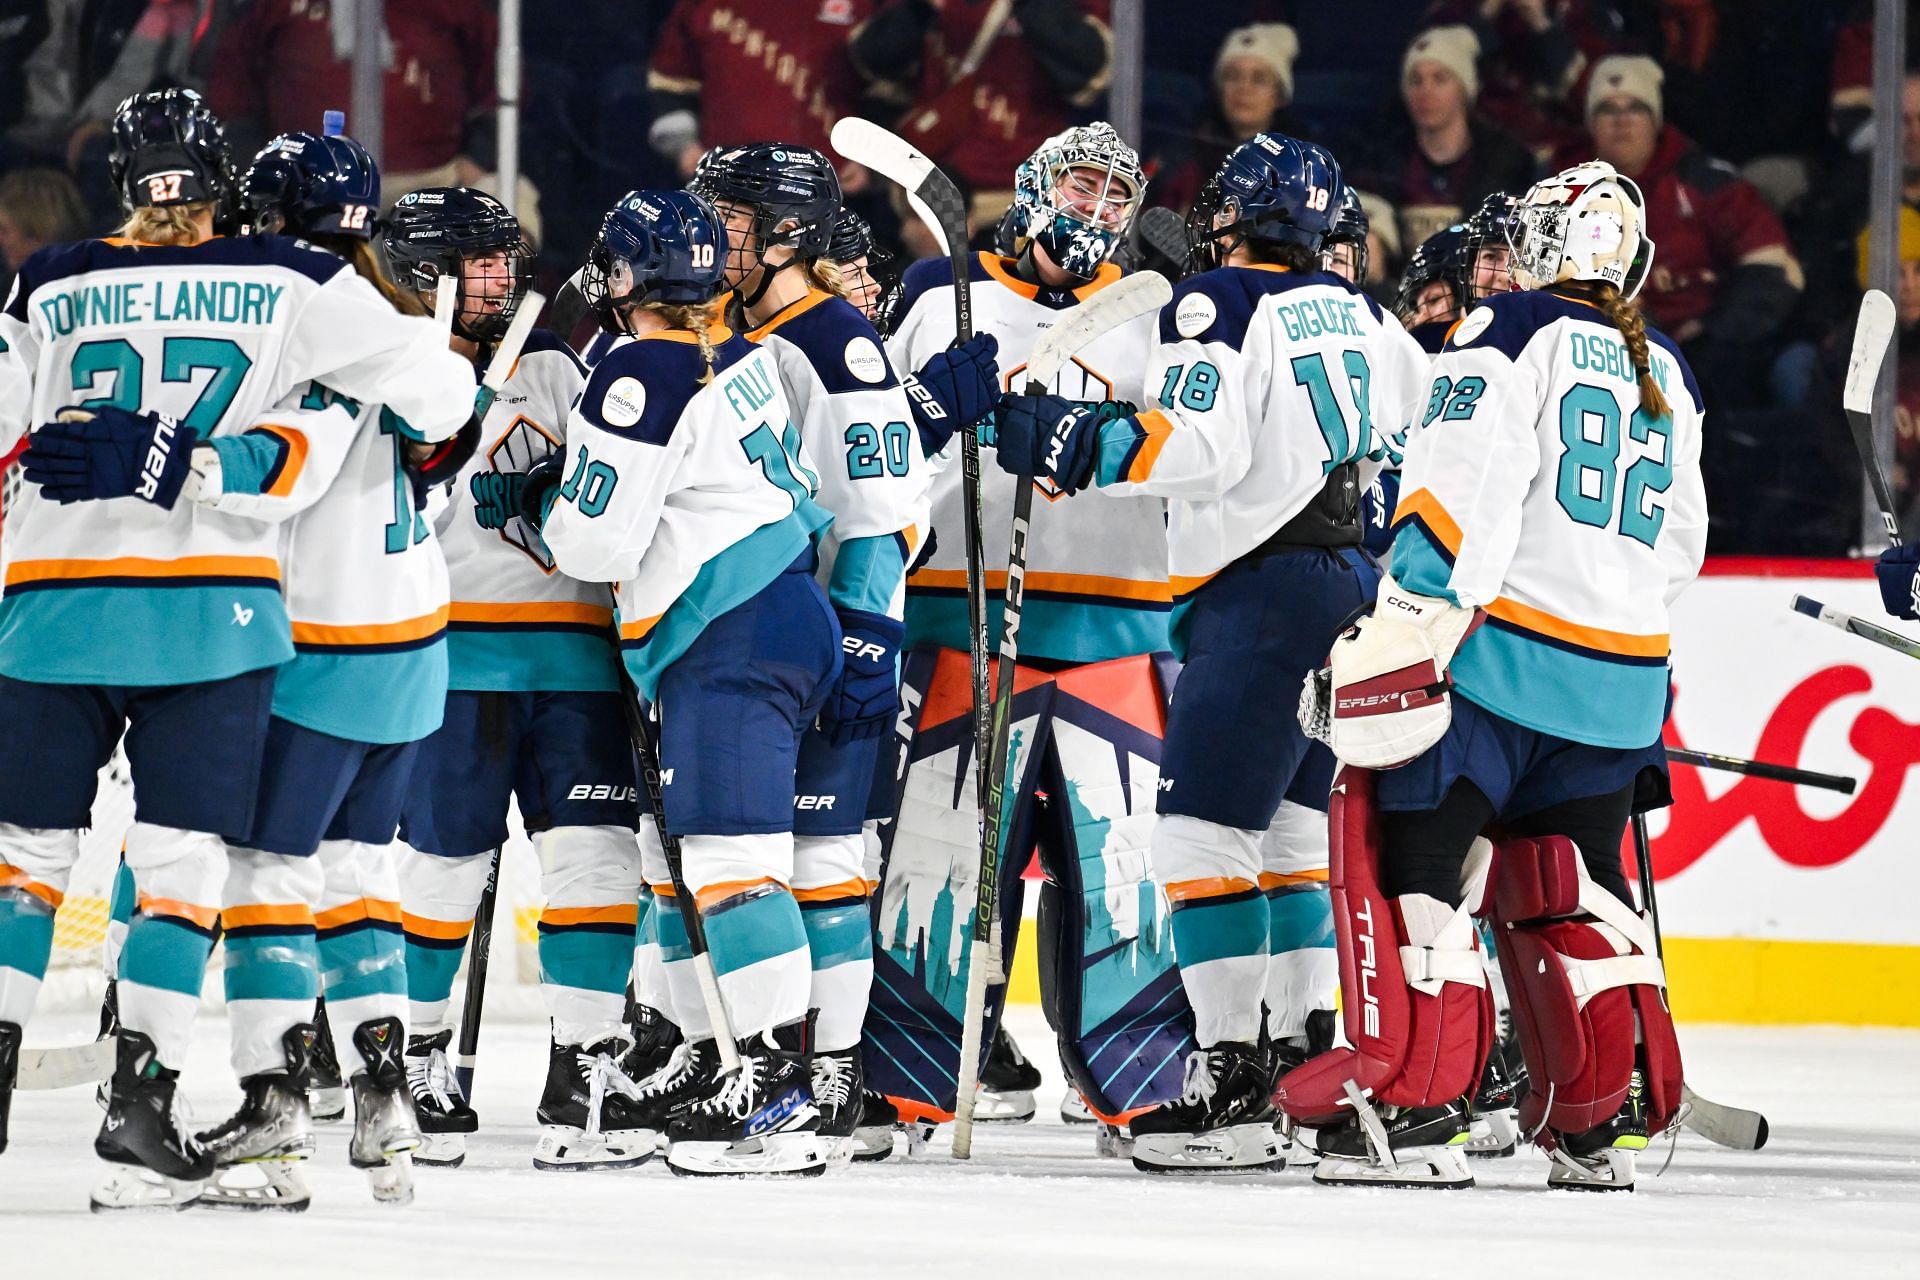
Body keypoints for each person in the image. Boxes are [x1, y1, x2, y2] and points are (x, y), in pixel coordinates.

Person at [0, 88, 473, 1209]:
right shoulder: (295, 282)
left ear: (119, 176)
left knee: (24, 862)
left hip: (51, 599)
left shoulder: (46, 279)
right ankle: (144, 1105)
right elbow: (444, 391)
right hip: (216, 609)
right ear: (220, 183)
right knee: (185, 874)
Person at [989, 132, 1430, 1172]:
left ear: (1230, 219)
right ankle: (1301, 1054)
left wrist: (1068, 438)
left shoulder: (1219, 303)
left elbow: (1199, 447)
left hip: (1261, 596)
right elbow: (1418, 444)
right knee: (1288, 842)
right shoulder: (1368, 313)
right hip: (1356, 594)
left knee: (1197, 839)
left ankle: (1228, 1077)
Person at [1279, 160, 1705, 1192]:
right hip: (1620, 686)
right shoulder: (1670, 371)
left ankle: (1420, 1111)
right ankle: (1596, 1125)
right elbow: (1683, 545)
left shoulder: (1506, 333)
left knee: (1419, 873)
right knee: (1578, 890)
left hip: (1499, 673)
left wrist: (1409, 621)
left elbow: (1458, 498)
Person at [867, 121, 1193, 1149]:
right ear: (1035, 186)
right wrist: (926, 413)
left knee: (1125, 872)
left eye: (1114, 196)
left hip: (1118, 629)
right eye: (1080, 187)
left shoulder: (1160, 316)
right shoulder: (937, 294)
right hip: (960, 623)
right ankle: (908, 1080)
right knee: (938, 867)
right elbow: (868, 442)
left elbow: (1197, 453)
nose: (1096, 212)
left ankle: (1142, 1084)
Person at [526, 188, 841, 1178]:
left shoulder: (639, 368)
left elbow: (594, 536)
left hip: (729, 633)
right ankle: (750, 1067)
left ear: (628, 277)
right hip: (778, 611)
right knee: (714, 863)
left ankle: (778, 1090)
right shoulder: (742, 354)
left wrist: (546, 498)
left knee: (734, 866)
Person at [192, 129, 477, 1211]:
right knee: (362, 876)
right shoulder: (399, 331)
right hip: (414, 649)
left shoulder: (310, 331)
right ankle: (384, 1101)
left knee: (270, 874)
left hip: (325, 648)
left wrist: (183, 467)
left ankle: (272, 1111)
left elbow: (277, 475)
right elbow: (443, 440)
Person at [380, 187, 646, 1173]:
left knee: (594, 864)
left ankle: (582, 1065)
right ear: (417, 270)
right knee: (442, 867)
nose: (497, 279)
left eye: (502, 261)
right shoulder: (393, 370)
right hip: (448, 656)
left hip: (575, 656)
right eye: (472, 262)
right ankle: (418, 1055)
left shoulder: (560, 366)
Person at [690, 142, 928, 1160]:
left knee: (828, 856)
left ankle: (832, 1070)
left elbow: (876, 507)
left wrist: (866, 635)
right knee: (763, 857)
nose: (714, 235)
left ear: (786, 232)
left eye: (733, 219)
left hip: (826, 630)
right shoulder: (734, 329)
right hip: (759, 628)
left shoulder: (837, 340)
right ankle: (760, 1057)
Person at [849, 0, 1115, 229]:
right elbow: (870, 64)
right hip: (921, 195)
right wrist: (918, 9)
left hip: (1015, 201)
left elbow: (1092, 76)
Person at [1343, 24, 1537, 256]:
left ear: (1464, 89)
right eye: (1416, 81)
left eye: (1440, 79)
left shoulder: (1506, 162)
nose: (1426, 92)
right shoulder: (1379, 158)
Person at [646, 0, 873, 181]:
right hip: (728, 181)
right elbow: (671, 80)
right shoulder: (702, 5)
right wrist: (685, 147)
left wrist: (873, 163)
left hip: (828, 186)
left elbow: (890, 89)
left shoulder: (864, 6)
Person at [1151, 23, 1303, 216]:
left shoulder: (1303, 167)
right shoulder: (1181, 161)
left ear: (1279, 96)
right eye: (1232, 77)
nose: (1244, 88)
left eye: (1259, 79)